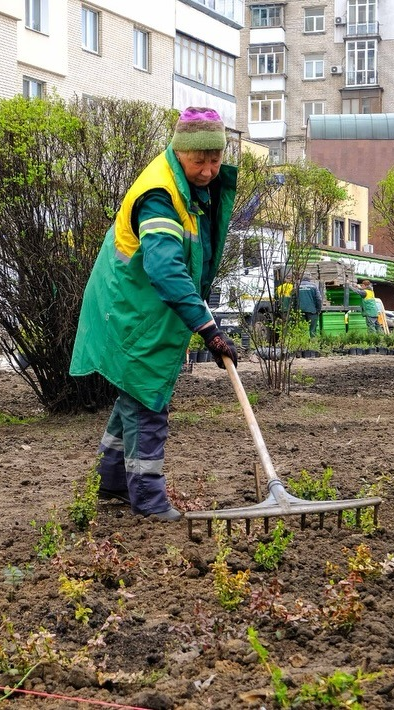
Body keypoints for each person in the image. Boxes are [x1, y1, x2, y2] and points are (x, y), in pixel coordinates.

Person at [70, 107, 238, 522]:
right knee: (147, 397)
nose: (208, 169)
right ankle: (147, 499)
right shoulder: (160, 194)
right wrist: (207, 329)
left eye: (215, 160)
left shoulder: (190, 187)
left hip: (141, 304)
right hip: (128, 306)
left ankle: (110, 483)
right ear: (180, 153)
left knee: (134, 391)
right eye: (199, 160)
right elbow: (165, 268)